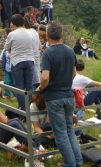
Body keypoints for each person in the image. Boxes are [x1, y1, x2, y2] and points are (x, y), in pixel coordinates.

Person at [38, 20, 82, 167]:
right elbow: (74, 73)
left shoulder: (48, 53)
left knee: (60, 133)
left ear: (47, 36)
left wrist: (41, 88)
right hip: (68, 95)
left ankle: (69, 163)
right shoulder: (70, 51)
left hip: (54, 97)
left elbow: (45, 77)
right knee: (69, 129)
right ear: (62, 35)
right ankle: (78, 160)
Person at [4, 14, 35, 111]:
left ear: (13, 23)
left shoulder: (12, 34)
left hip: (17, 60)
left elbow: (6, 48)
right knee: (29, 85)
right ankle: (31, 108)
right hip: (30, 59)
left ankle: (23, 108)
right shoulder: (30, 33)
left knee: (19, 86)